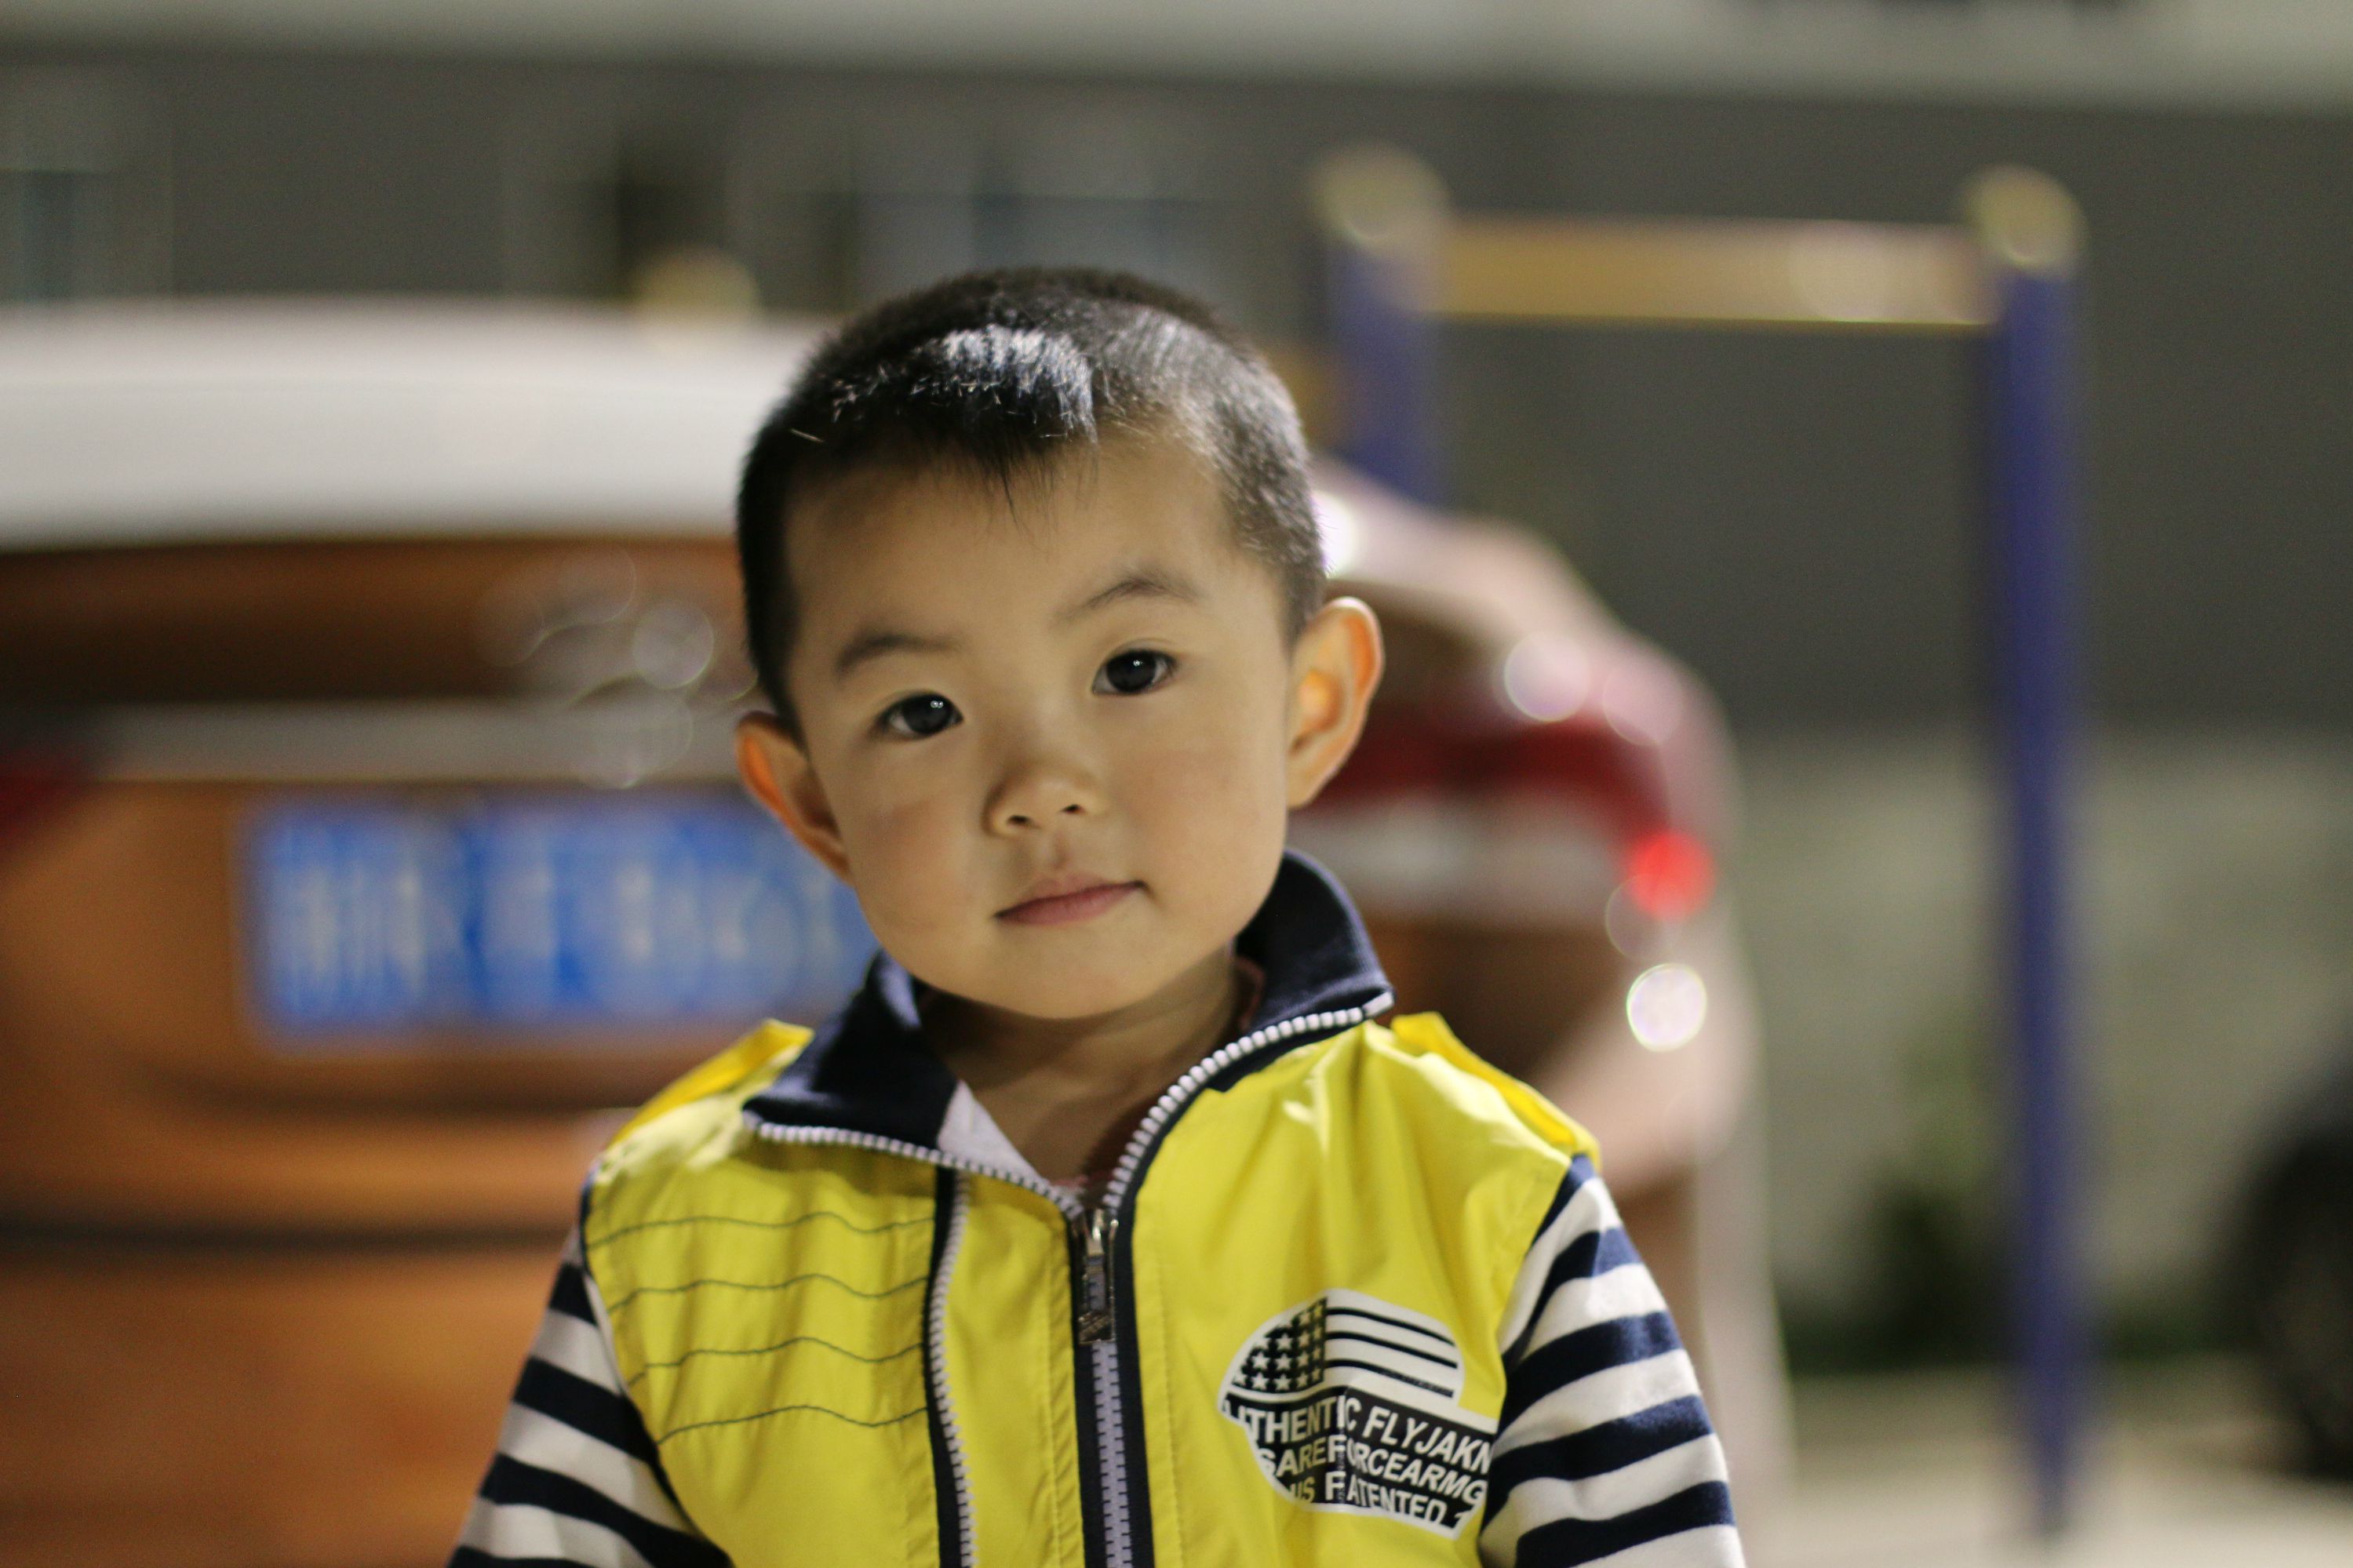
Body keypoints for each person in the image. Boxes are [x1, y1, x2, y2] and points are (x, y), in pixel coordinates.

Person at [451, 268, 1745, 1568]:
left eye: (1132, 669)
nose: (1040, 787)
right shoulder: (673, 1240)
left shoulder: (1492, 1199)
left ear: (1310, 708)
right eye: (922, 713)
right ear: (812, 802)